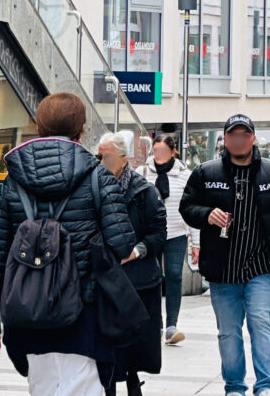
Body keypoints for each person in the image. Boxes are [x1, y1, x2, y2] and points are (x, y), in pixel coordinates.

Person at [0, 93, 137, 395]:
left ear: (39, 127)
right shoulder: (98, 177)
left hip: (27, 310)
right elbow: (123, 244)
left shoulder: (13, 180)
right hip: (83, 311)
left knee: (43, 387)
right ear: (81, 129)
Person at [180, 114, 270, 396]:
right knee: (228, 332)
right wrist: (207, 214)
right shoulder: (206, 173)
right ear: (226, 139)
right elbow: (187, 207)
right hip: (222, 268)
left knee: (261, 324)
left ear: (253, 138)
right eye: (233, 135)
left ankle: (266, 386)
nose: (239, 140)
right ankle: (235, 386)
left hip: (262, 266)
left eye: (244, 135)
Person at [100, 133, 167, 396]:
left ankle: (133, 384)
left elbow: (158, 234)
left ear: (123, 158)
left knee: (134, 351)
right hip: (106, 280)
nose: (101, 162)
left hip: (139, 281)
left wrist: (138, 251)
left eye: (106, 157)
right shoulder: (94, 187)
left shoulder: (144, 191)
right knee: (108, 349)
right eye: (99, 156)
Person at [138, 134, 199, 345]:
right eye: (156, 151)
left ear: (173, 152)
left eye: (163, 151)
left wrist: (196, 243)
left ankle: (172, 326)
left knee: (174, 275)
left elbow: (192, 209)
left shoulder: (185, 175)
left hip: (176, 233)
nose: (158, 155)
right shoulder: (143, 172)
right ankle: (156, 324)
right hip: (150, 234)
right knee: (153, 278)